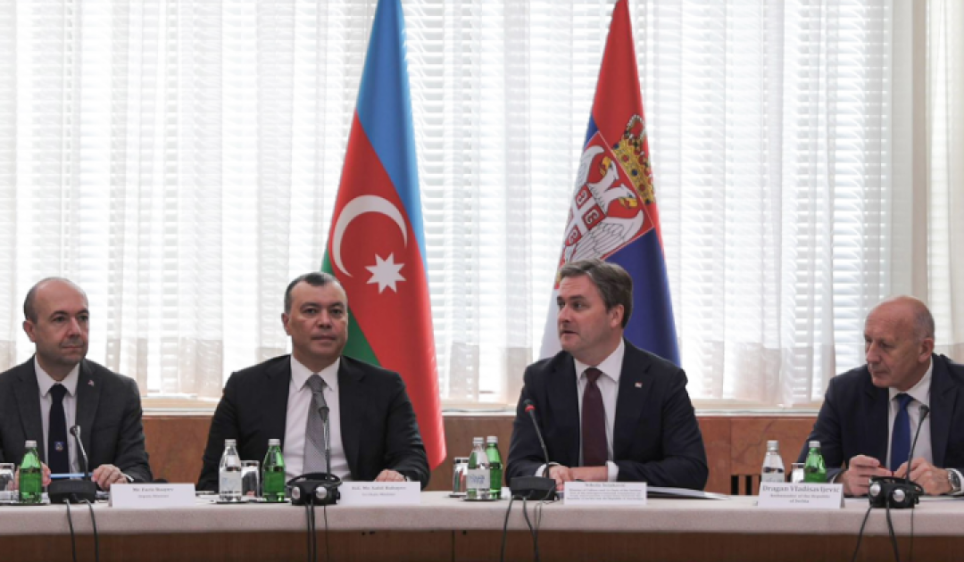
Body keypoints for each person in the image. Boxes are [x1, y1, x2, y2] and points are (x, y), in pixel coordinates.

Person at [197, 272, 430, 490]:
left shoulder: (383, 387)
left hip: (354, 514)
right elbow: (213, 476)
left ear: (347, 321)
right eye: (311, 311)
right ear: (286, 323)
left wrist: (400, 476)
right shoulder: (245, 388)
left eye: (336, 312)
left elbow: (413, 459)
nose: (325, 321)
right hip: (271, 513)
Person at [506, 259, 708, 491]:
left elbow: (691, 470)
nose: (563, 316)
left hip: (638, 512)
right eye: (561, 305)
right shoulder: (541, 379)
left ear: (615, 315)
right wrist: (548, 471)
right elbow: (517, 466)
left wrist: (607, 474)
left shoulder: (663, 380)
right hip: (562, 511)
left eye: (578, 305)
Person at [799, 296, 964, 497]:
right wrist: (843, 480)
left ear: (924, 349)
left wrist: (952, 480)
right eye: (868, 341)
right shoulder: (846, 391)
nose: (871, 356)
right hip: (870, 516)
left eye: (885, 345)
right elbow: (802, 473)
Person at [0, 278, 152, 489]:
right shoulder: (4, 392)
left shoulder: (119, 392)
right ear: (31, 330)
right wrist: (10, 483)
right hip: (27, 509)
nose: (75, 330)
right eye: (60, 319)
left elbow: (138, 469)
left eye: (82, 318)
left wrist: (122, 478)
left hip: (95, 510)